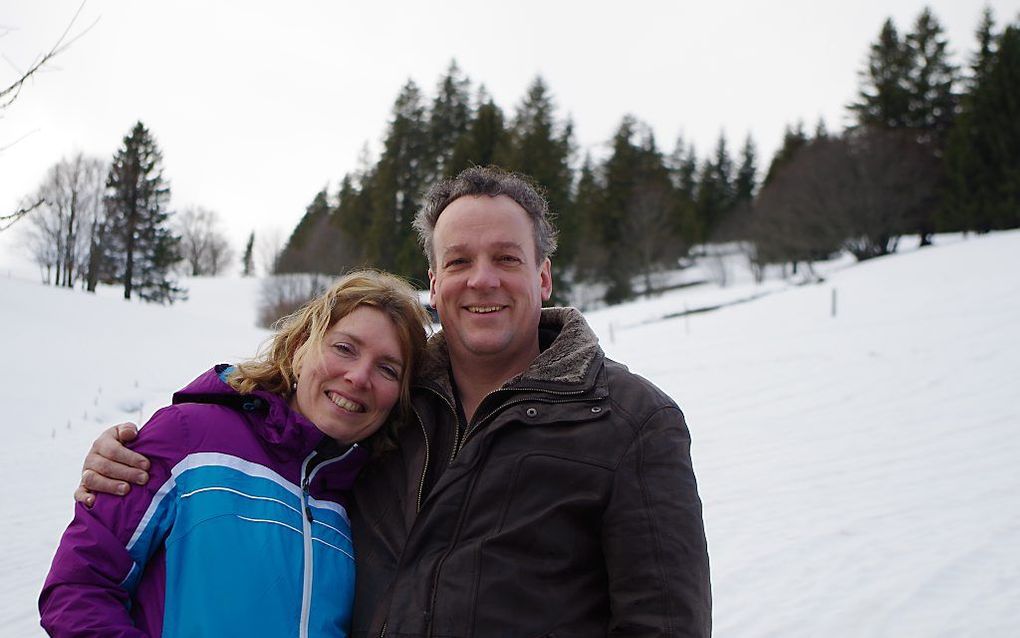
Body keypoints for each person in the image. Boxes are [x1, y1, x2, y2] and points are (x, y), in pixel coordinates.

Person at [76, 166, 712, 637]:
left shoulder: (630, 422)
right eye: (459, 260)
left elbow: (664, 623)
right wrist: (143, 450)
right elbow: (283, 423)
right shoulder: (390, 403)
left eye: (506, 258)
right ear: (434, 283)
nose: (482, 278)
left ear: (543, 275)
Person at [42, 270, 429, 637]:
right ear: (299, 349)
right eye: (345, 348)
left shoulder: (365, 497)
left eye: (388, 370)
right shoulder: (188, 438)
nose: (359, 377)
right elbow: (78, 587)